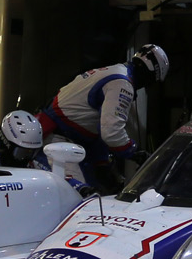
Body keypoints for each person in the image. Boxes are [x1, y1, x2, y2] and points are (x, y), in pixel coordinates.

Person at [37, 44, 169, 187]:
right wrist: (136, 153)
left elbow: (95, 125)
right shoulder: (122, 83)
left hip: (62, 136)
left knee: (104, 182)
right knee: (79, 199)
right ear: (150, 74)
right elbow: (111, 133)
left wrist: (104, 165)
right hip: (59, 142)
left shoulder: (115, 71)